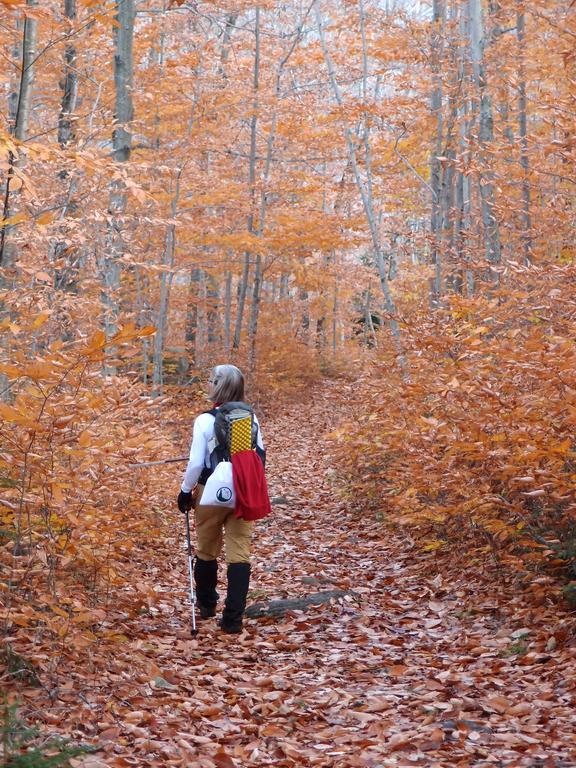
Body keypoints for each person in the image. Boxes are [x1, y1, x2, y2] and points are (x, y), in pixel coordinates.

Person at [177, 364, 266, 634]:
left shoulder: (204, 420)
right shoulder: (251, 419)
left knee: (206, 549)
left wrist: (185, 491)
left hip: (209, 491)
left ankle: (206, 605)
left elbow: (195, 463)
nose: (207, 384)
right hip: (243, 490)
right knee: (239, 553)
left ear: (218, 385)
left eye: (210, 380)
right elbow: (260, 457)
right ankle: (233, 620)